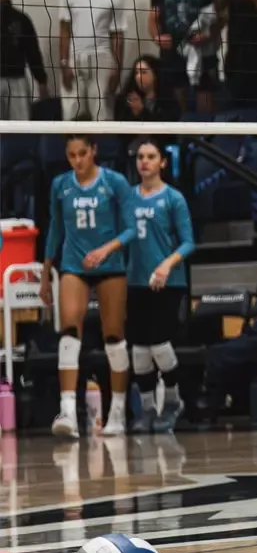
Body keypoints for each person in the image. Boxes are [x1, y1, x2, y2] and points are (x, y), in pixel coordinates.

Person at [40, 133, 136, 438]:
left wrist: (106, 250)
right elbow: (56, 228)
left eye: (82, 153)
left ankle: (117, 412)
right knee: (69, 330)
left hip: (110, 265)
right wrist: (46, 271)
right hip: (74, 263)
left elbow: (132, 228)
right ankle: (67, 412)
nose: (77, 161)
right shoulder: (60, 185)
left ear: (94, 150)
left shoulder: (115, 182)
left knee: (114, 337)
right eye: (72, 155)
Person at [125, 139, 192, 433]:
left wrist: (166, 264)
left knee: (160, 345)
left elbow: (188, 242)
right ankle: (148, 409)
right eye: (140, 156)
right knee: (139, 350)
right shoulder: (128, 197)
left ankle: (174, 401)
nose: (144, 161)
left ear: (162, 162)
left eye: (151, 156)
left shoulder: (173, 198)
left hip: (168, 282)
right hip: (135, 280)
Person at [148, 0, 221, 115]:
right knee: (177, 106)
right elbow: (153, 19)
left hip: (202, 51)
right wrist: (157, 37)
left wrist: (209, 35)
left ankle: (206, 131)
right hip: (173, 53)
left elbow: (221, 16)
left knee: (206, 105)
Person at [58, 0, 133, 120]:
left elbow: (117, 34)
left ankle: (103, 139)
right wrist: (64, 64)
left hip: (102, 57)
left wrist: (117, 67)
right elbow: (64, 30)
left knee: (102, 110)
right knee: (72, 110)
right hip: (75, 57)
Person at [0, 0, 49, 120]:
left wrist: (41, 80)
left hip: (17, 80)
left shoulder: (21, 19)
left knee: (20, 127)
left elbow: (32, 51)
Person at [114, 55, 178, 124]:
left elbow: (164, 128)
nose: (138, 76)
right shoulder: (125, 99)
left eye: (144, 72)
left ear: (155, 75)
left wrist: (141, 111)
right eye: (136, 73)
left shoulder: (168, 101)